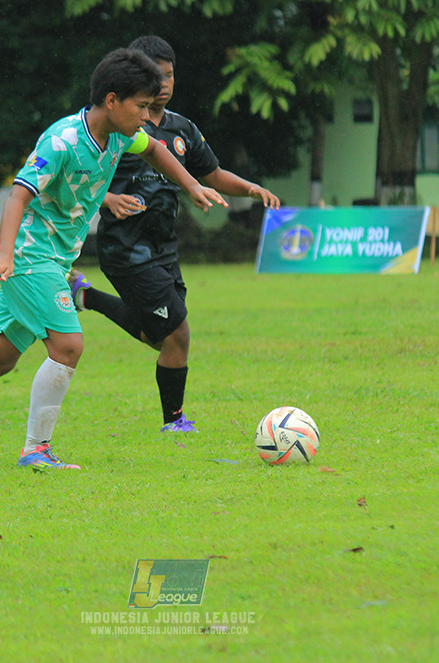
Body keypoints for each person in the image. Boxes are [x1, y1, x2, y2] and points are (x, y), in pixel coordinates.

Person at [0, 48, 226, 470]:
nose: (146, 116)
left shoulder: (120, 135)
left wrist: (191, 185)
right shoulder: (62, 141)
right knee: (68, 345)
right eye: (140, 106)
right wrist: (3, 255)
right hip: (30, 257)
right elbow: (18, 195)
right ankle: (36, 450)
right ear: (112, 100)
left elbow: (155, 150)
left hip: (54, 260)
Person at [67, 35, 281, 433]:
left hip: (164, 245)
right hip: (126, 247)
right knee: (177, 332)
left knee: (158, 335)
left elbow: (212, 174)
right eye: (157, 76)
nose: (164, 84)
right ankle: (175, 422)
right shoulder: (118, 127)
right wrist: (108, 199)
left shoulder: (182, 129)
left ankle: (86, 296)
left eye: (169, 76)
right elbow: (77, 180)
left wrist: (250, 188)